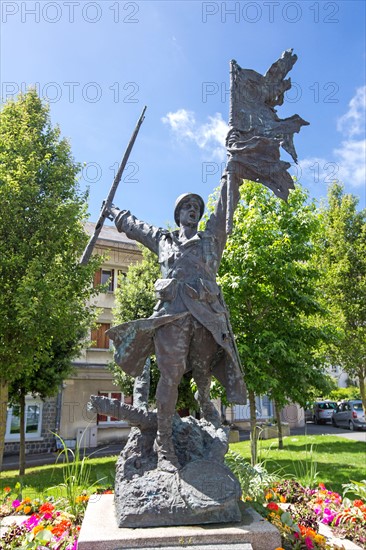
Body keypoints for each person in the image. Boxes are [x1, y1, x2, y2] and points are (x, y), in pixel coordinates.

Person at [107, 170, 245, 472]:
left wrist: (229, 177)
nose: (192, 209)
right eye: (187, 206)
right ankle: (165, 447)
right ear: (178, 214)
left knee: (203, 375)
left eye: (196, 206)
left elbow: (224, 209)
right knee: (169, 377)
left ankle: (204, 400)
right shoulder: (164, 240)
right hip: (172, 318)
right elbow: (137, 228)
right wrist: (114, 212)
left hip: (206, 319)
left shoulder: (212, 239)